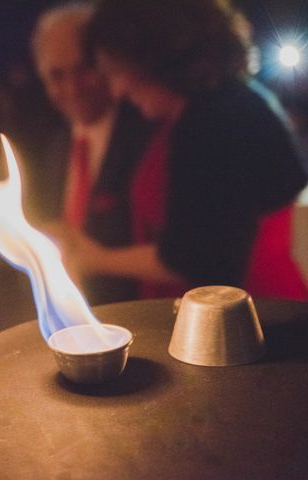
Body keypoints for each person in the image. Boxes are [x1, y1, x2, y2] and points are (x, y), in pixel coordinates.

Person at [51, 0, 308, 299]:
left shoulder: (211, 122)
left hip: (257, 316)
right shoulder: (230, 102)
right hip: (262, 306)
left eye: (116, 71)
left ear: (151, 56)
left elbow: (194, 257)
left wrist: (96, 259)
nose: (117, 90)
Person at [29, 3, 153, 304]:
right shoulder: (53, 146)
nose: (72, 88)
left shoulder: (148, 133)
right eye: (57, 75)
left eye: (83, 69)